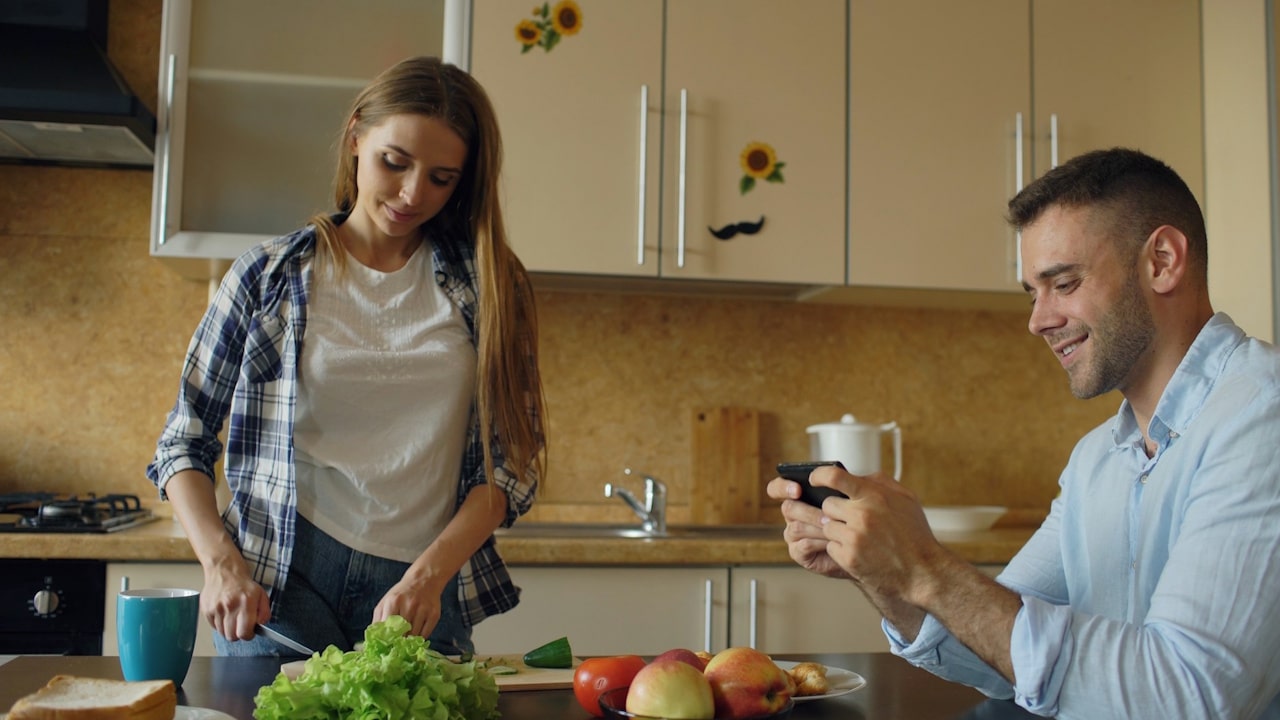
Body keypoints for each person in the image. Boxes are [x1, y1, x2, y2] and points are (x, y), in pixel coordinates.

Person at [769, 147, 1280, 718]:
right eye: (1033, 293)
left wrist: (924, 567)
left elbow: (1188, 697)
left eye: (1063, 283)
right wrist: (883, 572)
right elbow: (993, 651)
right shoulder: (1097, 461)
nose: (1038, 320)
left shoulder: (1262, 419)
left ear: (1161, 261)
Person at [146, 56, 546, 658]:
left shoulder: (490, 286)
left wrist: (428, 576)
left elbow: (508, 463)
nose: (413, 194)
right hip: (283, 577)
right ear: (357, 136)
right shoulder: (267, 276)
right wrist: (221, 565)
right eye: (395, 162)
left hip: (418, 587)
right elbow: (185, 440)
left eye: (441, 178)